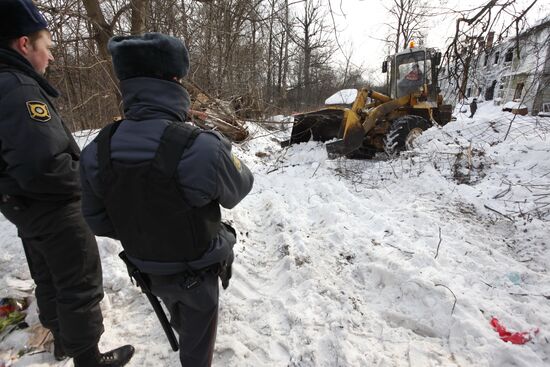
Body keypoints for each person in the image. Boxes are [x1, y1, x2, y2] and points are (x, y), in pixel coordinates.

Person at [79, 33, 254, 367]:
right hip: (196, 269)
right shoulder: (203, 147)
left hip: (146, 267)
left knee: (178, 305)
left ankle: (180, 319)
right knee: (198, 340)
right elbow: (240, 188)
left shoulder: (96, 150)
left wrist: (145, 228)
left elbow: (97, 220)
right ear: (176, 81)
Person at [0, 1, 135, 366]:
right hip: (54, 207)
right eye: (48, 47)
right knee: (79, 284)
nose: (53, 58)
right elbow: (45, 166)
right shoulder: (18, 88)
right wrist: (90, 178)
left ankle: (63, 341)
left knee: (49, 277)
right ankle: (89, 359)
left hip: (24, 207)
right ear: (24, 44)